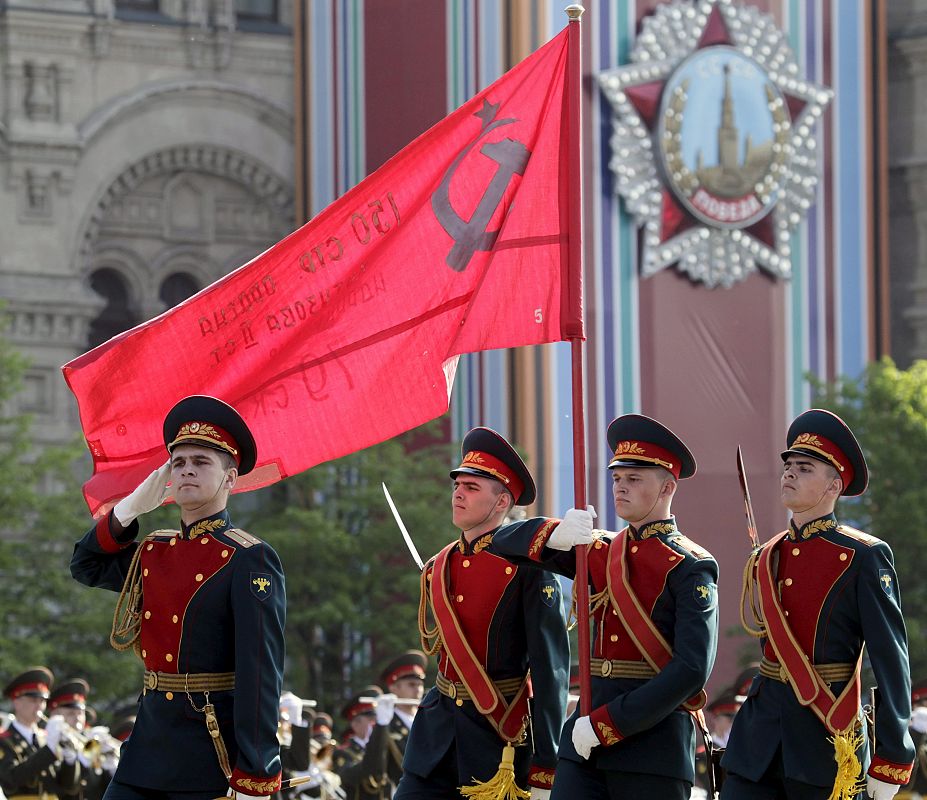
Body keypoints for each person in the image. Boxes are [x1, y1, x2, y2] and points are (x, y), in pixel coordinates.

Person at [491, 413, 719, 799]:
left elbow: (691, 670)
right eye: (616, 478)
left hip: (651, 750)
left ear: (667, 487)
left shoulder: (690, 565)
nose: (620, 487)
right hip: (583, 750)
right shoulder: (597, 551)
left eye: (634, 479)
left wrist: (607, 723)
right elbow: (502, 542)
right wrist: (556, 532)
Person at [70, 395, 287, 800]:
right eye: (179, 462)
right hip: (148, 749)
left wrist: (256, 775)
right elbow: (86, 565)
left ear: (229, 478)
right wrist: (130, 508)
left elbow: (260, 673)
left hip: (210, 752)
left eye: (201, 462)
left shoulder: (247, 558)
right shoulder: (155, 551)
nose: (187, 470)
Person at [721, 409, 916, 799]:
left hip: (825, 740)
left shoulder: (864, 556)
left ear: (834, 486)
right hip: (757, 742)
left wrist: (892, 757)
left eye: (805, 468)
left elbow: (890, 660)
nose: (789, 473)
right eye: (789, 465)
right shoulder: (767, 556)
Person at [394, 427, 569, 800]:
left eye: (472, 488)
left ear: (502, 501)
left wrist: (545, 767)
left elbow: (549, 670)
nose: (458, 492)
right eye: (458, 485)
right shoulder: (440, 564)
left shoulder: (531, 570)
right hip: (434, 736)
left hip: (496, 740)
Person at [0, 667, 80, 800]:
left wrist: (70, 762)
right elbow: (11, 780)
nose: (39, 706)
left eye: (42, 701)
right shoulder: (4, 740)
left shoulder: (46, 737)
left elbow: (69, 788)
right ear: (16, 702)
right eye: (33, 700)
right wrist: (49, 749)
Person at [376, 650, 427, 790]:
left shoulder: (429, 717)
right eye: (411, 684)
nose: (418, 690)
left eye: (420, 684)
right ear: (394, 688)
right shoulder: (386, 724)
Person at [332, 687, 392, 800]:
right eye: (372, 719)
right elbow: (355, 774)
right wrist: (377, 742)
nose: (376, 723)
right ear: (355, 724)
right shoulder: (343, 752)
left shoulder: (388, 746)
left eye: (378, 718)